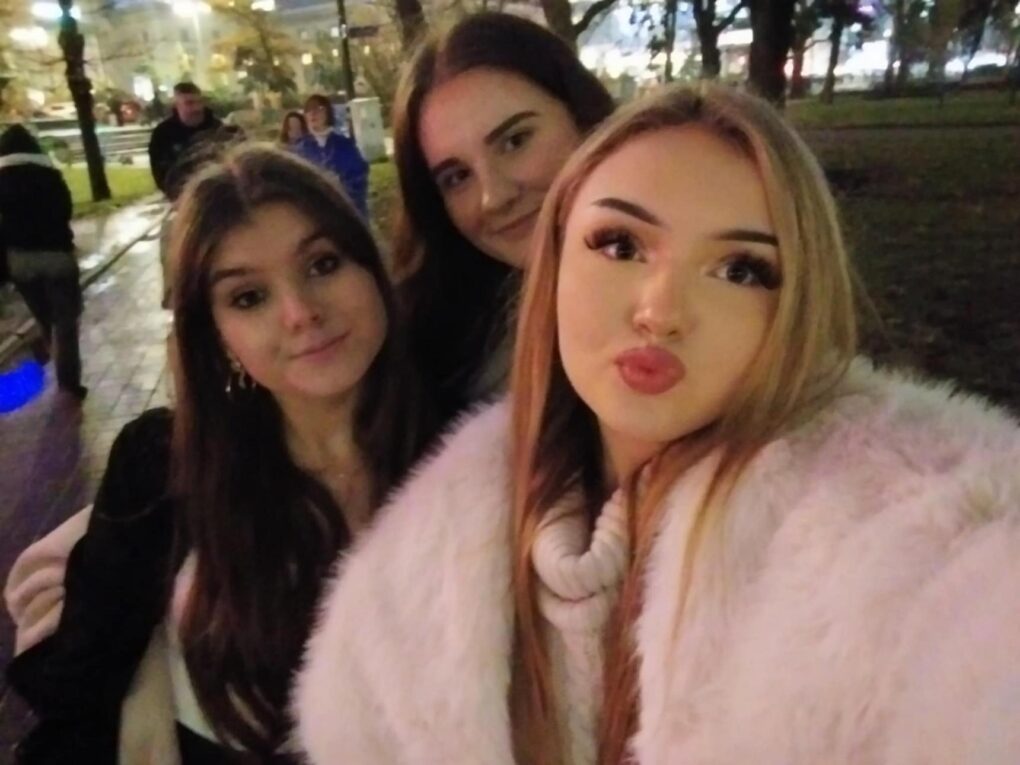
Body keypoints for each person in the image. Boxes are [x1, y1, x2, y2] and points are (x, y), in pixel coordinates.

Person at [294, 85, 1020, 765]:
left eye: (740, 270)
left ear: (794, 305)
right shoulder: (427, 546)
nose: (660, 310)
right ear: (552, 262)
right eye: (620, 245)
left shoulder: (922, 520)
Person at [6, 144, 434, 763]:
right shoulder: (167, 468)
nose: (300, 313)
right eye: (249, 297)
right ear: (218, 336)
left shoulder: (465, 448)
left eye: (322, 263)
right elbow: (80, 697)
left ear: (371, 267)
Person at [391, 11, 615, 426]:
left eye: (515, 141)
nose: (493, 198)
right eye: (457, 177)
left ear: (584, 118)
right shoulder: (434, 360)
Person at [0, 124, 85, 399]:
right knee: (66, 322)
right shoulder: (50, 176)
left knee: (43, 316)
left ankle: (48, 349)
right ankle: (69, 382)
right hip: (57, 256)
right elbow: (66, 209)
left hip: (21, 261)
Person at [294, 94, 368, 218]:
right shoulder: (300, 149)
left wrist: (339, 185)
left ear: (328, 113)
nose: (313, 113)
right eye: (308, 110)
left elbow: (359, 178)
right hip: (314, 215)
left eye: (318, 109)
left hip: (344, 212)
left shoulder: (344, 145)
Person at [147, 82, 222, 194]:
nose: (197, 108)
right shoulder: (162, 134)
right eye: (189, 103)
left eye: (199, 102)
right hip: (181, 195)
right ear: (177, 106)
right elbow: (160, 172)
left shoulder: (217, 128)